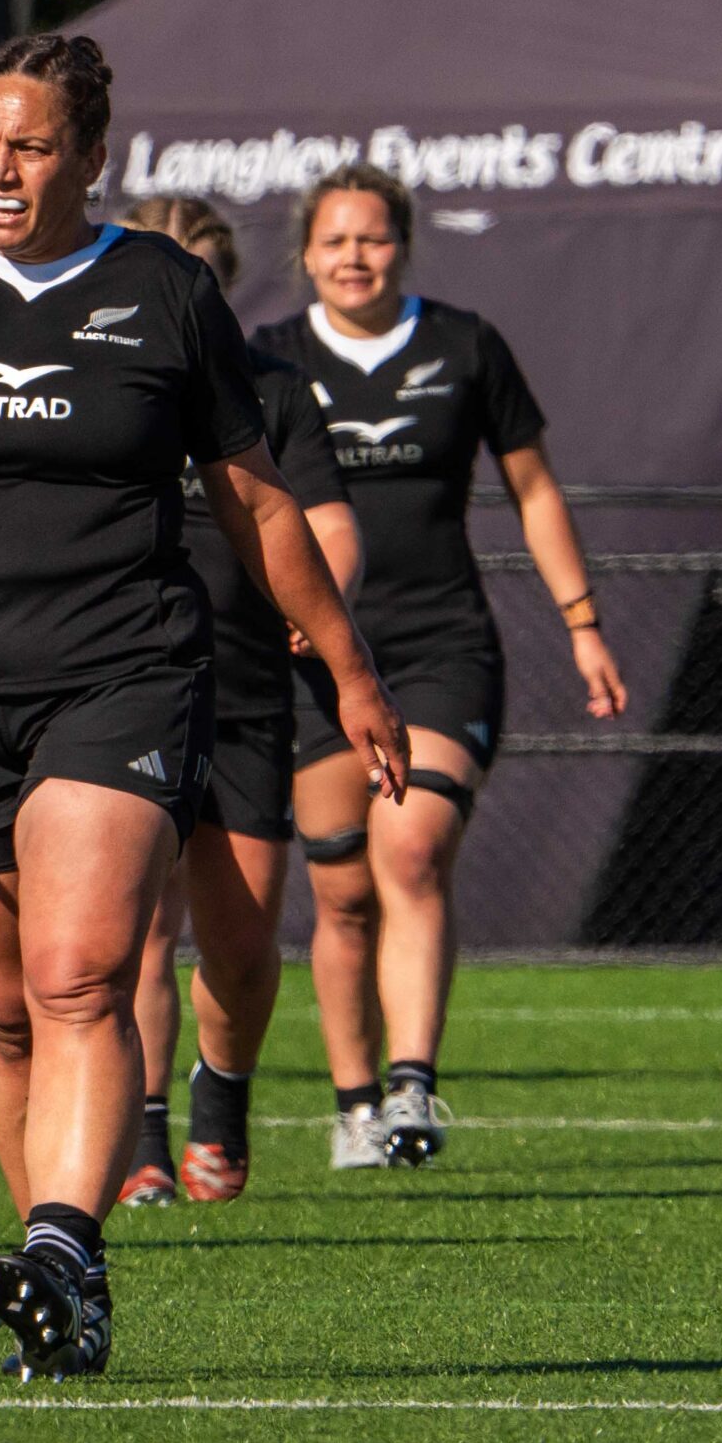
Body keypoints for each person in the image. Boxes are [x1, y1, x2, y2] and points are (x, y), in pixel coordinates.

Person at [0, 34, 404, 1382]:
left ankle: (58, 1239)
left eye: (29, 145)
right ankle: (70, 1275)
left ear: (90, 159)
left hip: (121, 672)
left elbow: (257, 502)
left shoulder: (162, 292)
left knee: (83, 971)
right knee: (7, 1013)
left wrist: (349, 667)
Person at [252, 164, 627, 1170]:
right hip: (317, 658)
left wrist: (582, 624)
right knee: (338, 892)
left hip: (439, 644)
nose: (353, 258)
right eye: (333, 241)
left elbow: (535, 490)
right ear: (305, 253)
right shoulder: (270, 361)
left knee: (410, 849)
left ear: (402, 244)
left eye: (371, 239)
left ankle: (412, 1088)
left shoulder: (464, 345)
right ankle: (352, 1104)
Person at [113, 196, 361, 1206]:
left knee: (244, 943)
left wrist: (320, 607)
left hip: (247, 687)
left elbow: (324, 523)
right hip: (126, 681)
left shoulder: (273, 391)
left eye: (200, 269)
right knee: (134, 932)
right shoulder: (109, 379)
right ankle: (140, 1136)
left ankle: (222, 1090)